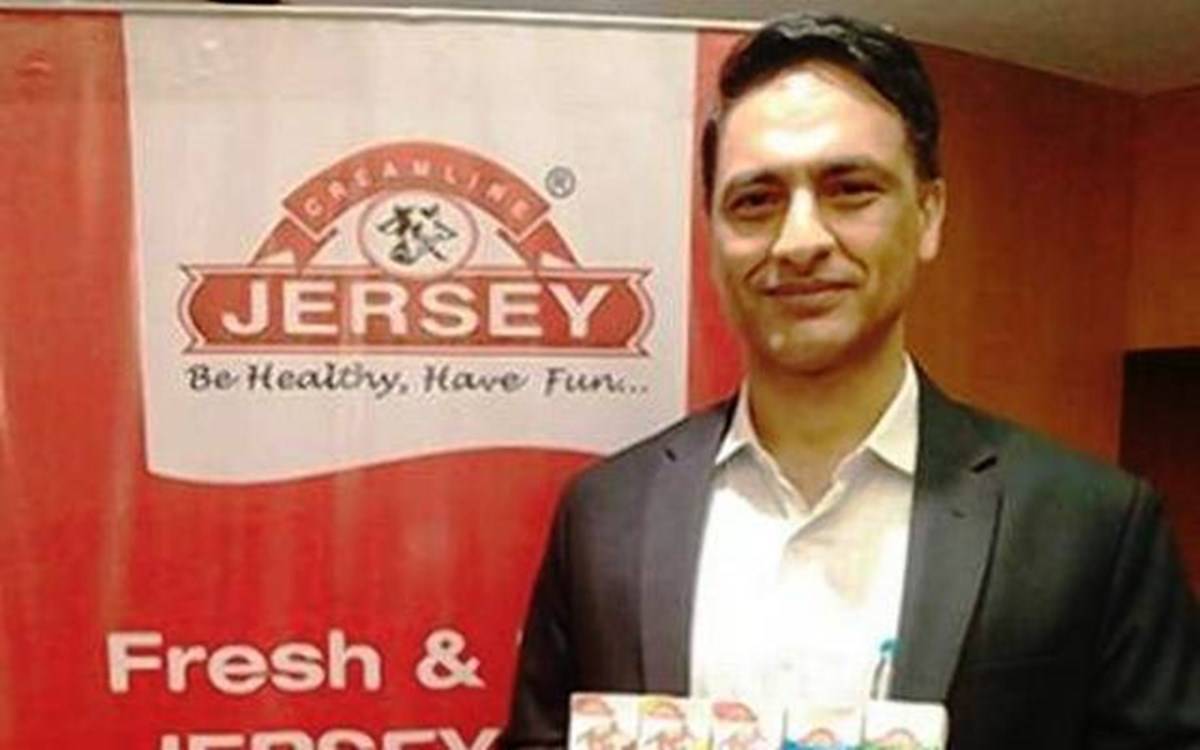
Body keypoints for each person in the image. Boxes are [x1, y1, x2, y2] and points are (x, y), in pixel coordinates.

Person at [501, 13, 1200, 749]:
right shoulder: (605, 516)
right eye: (755, 200)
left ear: (928, 214)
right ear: (712, 235)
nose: (800, 240)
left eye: (850, 190)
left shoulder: (1092, 528)